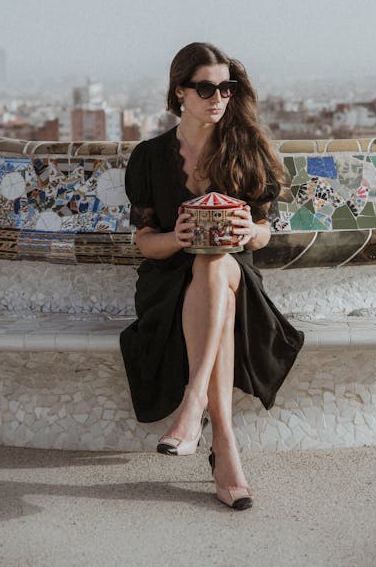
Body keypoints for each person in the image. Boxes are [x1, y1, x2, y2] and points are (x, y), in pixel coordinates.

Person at [119, 42, 304, 510]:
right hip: (167, 281)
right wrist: (181, 236)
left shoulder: (248, 149)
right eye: (206, 88)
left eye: (226, 87)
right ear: (180, 91)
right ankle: (225, 445)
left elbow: (264, 233)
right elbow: (146, 242)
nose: (218, 97)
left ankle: (193, 403)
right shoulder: (149, 157)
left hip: (237, 275)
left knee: (218, 261)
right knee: (207, 266)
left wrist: (250, 229)